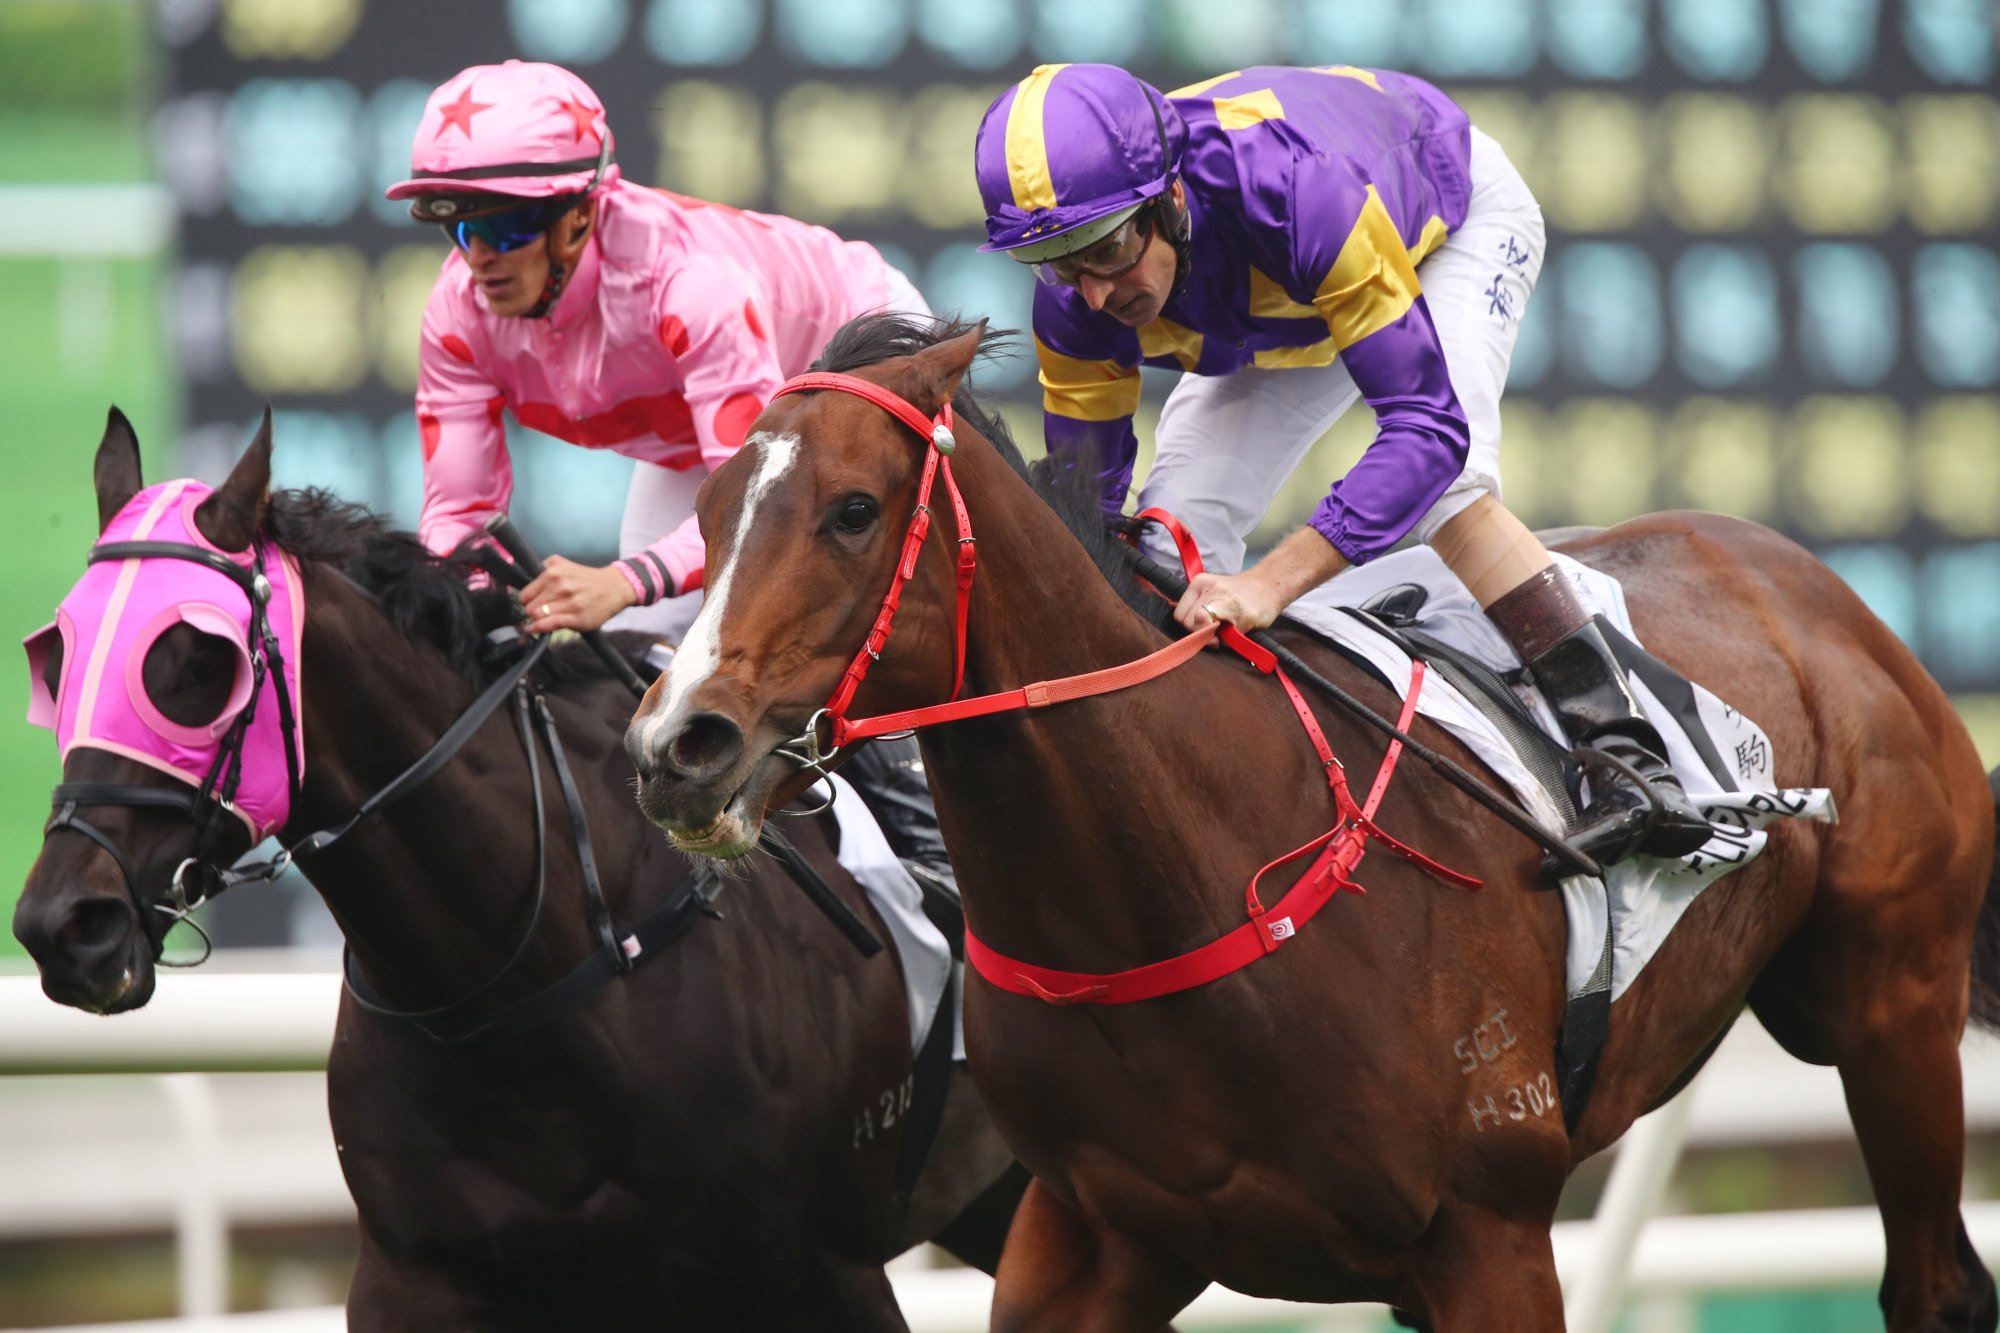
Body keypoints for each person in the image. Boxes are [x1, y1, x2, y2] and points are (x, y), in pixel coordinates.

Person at [973, 63, 1709, 866]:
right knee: (1159, 543)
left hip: (1440, 226)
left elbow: (1427, 433)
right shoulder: (1079, 301)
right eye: (1055, 262)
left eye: (1109, 248)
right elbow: (1088, 518)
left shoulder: (1294, 190)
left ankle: (1630, 752)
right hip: (1294, 293)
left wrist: (1271, 581)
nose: (1093, 295)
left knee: (1446, 487)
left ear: (1172, 200)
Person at [388, 60, 952, 888]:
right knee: (657, 671)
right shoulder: (457, 314)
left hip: (850, 362)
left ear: (578, 220)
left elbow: (762, 509)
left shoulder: (689, 281)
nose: (480, 261)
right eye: (460, 230)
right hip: (722, 442)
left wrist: (623, 580)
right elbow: (460, 520)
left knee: (807, 628)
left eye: (504, 230)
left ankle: (926, 845)